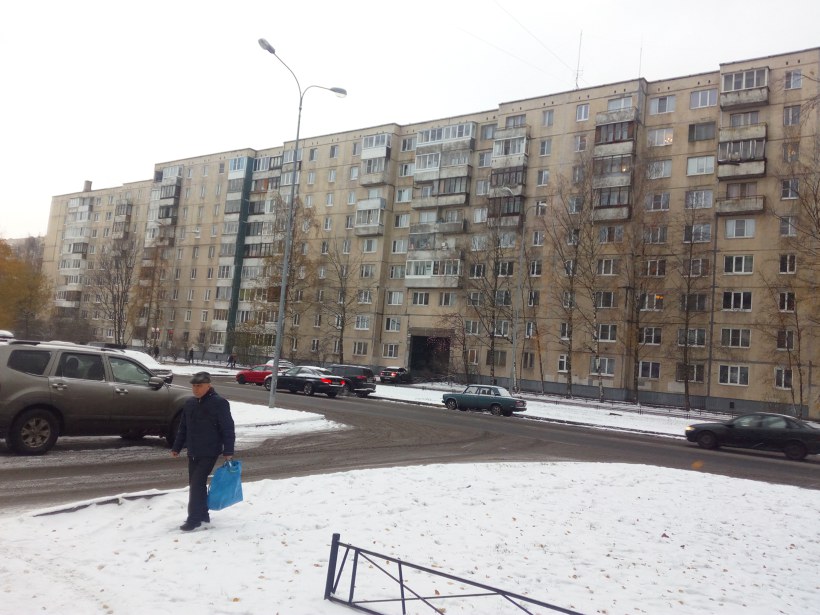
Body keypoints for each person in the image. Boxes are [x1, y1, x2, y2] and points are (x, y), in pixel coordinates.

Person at [171, 371, 235, 532]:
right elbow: (183, 427)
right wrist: (177, 447)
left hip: (209, 451)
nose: (196, 389)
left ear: (208, 385)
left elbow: (228, 429)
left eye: (199, 386)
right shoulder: (190, 403)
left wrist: (228, 450)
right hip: (193, 451)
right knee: (196, 485)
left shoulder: (219, 403)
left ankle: (193, 520)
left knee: (196, 485)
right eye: (194, 386)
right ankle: (203, 515)